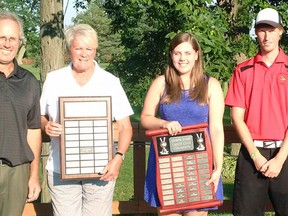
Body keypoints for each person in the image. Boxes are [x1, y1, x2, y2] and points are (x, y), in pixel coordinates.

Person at [40, 24, 133, 216]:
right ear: (69, 49)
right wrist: (46, 125)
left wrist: (118, 158)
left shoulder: (110, 81)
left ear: (95, 50)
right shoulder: (54, 79)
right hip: (60, 169)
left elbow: (125, 127)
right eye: (78, 48)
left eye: (89, 49)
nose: (84, 54)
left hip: (101, 168)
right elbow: (40, 117)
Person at [141, 32, 224, 216]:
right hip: (167, 165)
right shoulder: (161, 83)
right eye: (177, 53)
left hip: (199, 165)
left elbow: (217, 129)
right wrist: (164, 123)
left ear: (196, 55)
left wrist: (218, 167)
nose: (182, 58)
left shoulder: (212, 85)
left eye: (187, 53)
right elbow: (145, 118)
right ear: (171, 55)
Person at [225, 8, 288, 216]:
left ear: (281, 31)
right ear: (256, 33)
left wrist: (279, 159)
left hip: (285, 154)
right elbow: (236, 117)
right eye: (262, 30)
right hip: (252, 156)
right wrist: (256, 156)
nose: (267, 35)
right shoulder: (242, 70)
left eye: (272, 29)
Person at [0, 10, 42, 216]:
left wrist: (34, 175)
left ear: (19, 42)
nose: (7, 44)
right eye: (2, 37)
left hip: (17, 171)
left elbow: (33, 130)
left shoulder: (30, 82)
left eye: (12, 38)